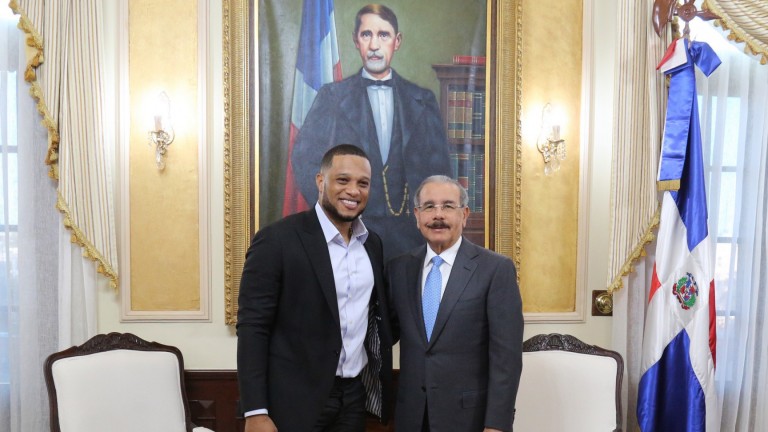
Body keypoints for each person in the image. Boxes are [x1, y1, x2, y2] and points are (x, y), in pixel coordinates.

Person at [237, 144, 393, 432]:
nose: (353, 191)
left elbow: (374, 318)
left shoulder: (372, 245)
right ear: (321, 182)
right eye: (343, 180)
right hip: (292, 400)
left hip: (353, 397)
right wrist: (255, 411)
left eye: (363, 183)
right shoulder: (277, 240)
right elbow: (252, 327)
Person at [291, 3, 452, 261]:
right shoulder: (332, 97)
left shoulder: (423, 100)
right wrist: (336, 210)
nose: (375, 45)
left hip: (411, 237)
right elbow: (304, 159)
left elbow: (441, 170)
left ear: (397, 41)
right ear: (356, 40)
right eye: (367, 35)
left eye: (383, 35)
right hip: (351, 233)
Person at [386, 175, 523, 432]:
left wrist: (497, 424)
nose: (438, 215)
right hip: (411, 417)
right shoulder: (399, 269)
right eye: (429, 206)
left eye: (448, 206)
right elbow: (385, 335)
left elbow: (507, 358)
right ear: (417, 215)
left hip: (469, 419)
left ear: (465, 214)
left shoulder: (495, 269)